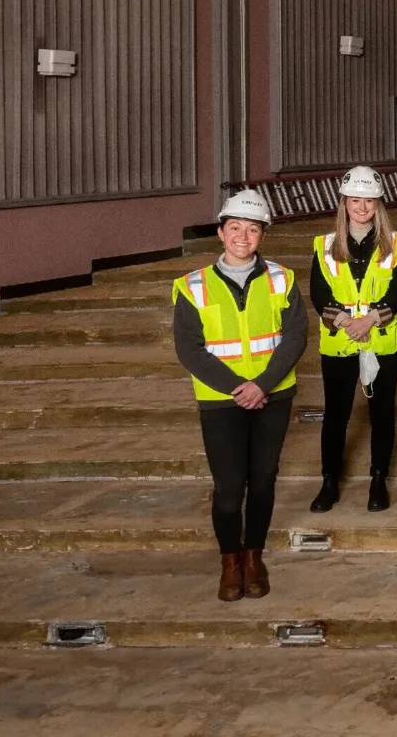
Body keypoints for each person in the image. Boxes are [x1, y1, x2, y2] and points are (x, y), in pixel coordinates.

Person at [171, 190, 307, 602]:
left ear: (262, 235)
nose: (243, 237)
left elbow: (295, 336)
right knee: (229, 488)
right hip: (221, 402)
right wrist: (239, 389)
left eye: (252, 229)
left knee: (263, 482)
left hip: (273, 397)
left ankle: (253, 557)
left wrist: (262, 385)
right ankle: (229, 562)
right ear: (220, 232)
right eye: (235, 229)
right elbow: (188, 349)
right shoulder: (192, 286)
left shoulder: (283, 279)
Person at [308, 166, 397, 514]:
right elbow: (318, 291)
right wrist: (344, 321)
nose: (362, 207)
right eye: (355, 200)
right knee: (336, 414)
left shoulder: (396, 243)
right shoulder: (325, 245)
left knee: (381, 414)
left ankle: (378, 479)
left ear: (378, 204)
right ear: (345, 203)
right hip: (340, 342)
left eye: (368, 201)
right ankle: (329, 481)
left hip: (381, 340)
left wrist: (368, 319)